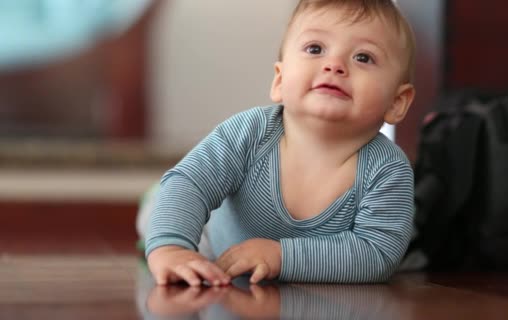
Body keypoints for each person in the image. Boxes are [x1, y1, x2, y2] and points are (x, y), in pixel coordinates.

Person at [145, 0, 417, 286]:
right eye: (315, 49)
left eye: (363, 57)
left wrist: (281, 256)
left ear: (397, 102)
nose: (334, 65)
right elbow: (190, 184)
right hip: (211, 243)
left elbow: (376, 253)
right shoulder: (249, 133)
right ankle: (154, 207)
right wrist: (171, 247)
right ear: (279, 80)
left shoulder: (388, 170)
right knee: (163, 209)